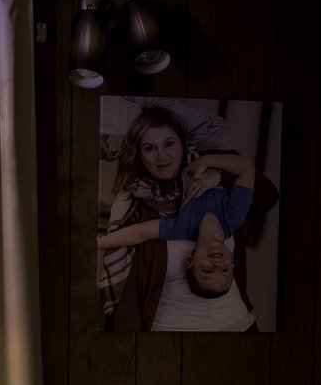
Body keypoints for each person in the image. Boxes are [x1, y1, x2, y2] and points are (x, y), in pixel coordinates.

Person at [98, 100, 279, 332]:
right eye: (149, 149)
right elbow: (126, 292)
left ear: (183, 146)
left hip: (242, 325)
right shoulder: (133, 203)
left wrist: (219, 175)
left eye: (169, 145)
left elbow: (269, 196)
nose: (161, 156)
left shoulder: (189, 207)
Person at [97, 152, 256, 298]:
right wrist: (207, 162)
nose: (217, 264)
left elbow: (140, 233)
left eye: (207, 271)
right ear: (232, 261)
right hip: (207, 145)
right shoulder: (234, 216)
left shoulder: (181, 229)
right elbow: (246, 168)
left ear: (189, 262)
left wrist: (97, 243)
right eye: (225, 270)